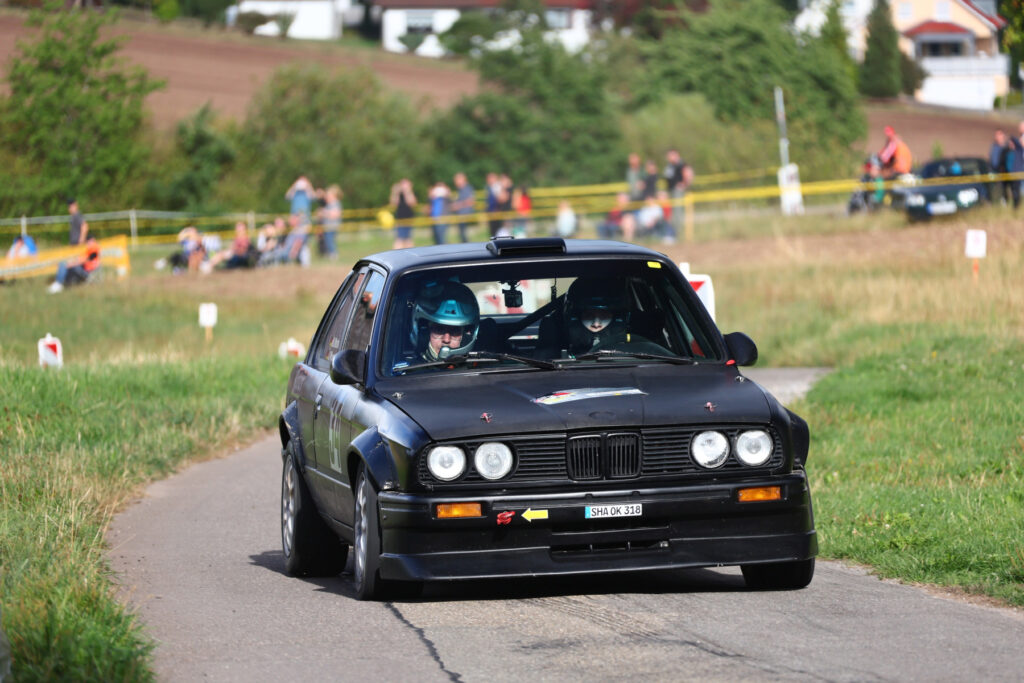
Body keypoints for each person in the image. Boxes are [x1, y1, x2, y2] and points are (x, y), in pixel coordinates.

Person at [409, 281, 480, 362]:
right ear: (425, 332)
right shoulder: (409, 369)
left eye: (455, 331)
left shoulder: (480, 367)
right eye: (439, 329)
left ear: (466, 336)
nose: (446, 340)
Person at [990, 130, 1020, 208]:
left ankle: (1015, 206)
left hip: (1011, 173)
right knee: (1001, 191)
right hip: (999, 173)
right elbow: (995, 161)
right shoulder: (995, 147)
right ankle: (1002, 204)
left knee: (1014, 191)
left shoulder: (1009, 150)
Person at [390, 178, 417, 249]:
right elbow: (393, 204)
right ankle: (397, 253)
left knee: (408, 239)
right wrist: (395, 192)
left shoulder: (410, 193)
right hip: (399, 219)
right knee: (399, 239)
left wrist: (407, 191)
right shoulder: (398, 194)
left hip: (408, 219)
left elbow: (412, 203)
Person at [450, 172, 476, 242]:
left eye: (456, 180)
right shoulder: (460, 189)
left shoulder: (467, 188)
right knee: (462, 237)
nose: (455, 182)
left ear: (462, 179)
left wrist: (457, 205)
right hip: (462, 216)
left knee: (465, 238)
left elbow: (470, 201)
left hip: (466, 216)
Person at [319, 184, 342, 258]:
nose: (326, 197)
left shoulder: (335, 203)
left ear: (334, 196)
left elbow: (335, 215)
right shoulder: (329, 204)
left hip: (332, 226)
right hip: (327, 226)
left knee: (330, 240)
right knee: (327, 240)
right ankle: (330, 253)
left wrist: (324, 213)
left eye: (328, 195)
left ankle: (333, 253)